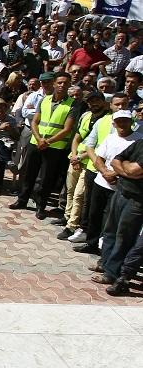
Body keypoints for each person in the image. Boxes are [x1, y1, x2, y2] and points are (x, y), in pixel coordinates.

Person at [77, 110, 143, 261]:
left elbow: (135, 169)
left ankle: (105, 253)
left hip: (120, 188)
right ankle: (91, 243)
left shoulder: (138, 140)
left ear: (131, 122)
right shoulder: (110, 138)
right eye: (119, 121)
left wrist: (115, 173)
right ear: (114, 123)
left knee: (111, 223)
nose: (122, 124)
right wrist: (105, 172)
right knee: (94, 214)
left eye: (125, 121)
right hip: (101, 181)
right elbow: (99, 158)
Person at [11, 71, 77, 219]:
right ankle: (22, 200)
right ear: (54, 83)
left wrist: (46, 141)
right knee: (28, 173)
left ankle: (41, 206)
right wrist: (39, 138)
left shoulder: (72, 104)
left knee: (46, 178)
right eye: (59, 82)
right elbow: (35, 121)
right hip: (36, 142)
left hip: (54, 147)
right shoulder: (44, 100)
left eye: (65, 83)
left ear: (69, 85)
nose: (62, 85)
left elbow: (67, 129)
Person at [57, 91, 109, 241]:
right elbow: (77, 137)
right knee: (70, 191)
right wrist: (74, 155)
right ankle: (67, 217)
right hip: (75, 159)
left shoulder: (107, 120)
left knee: (80, 195)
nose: (94, 104)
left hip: (90, 163)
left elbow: (99, 146)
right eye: (91, 101)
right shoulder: (85, 116)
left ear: (103, 102)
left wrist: (80, 157)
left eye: (97, 101)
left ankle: (72, 226)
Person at [100, 137, 143, 295]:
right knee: (110, 230)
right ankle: (105, 265)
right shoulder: (139, 143)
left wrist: (125, 169)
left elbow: (133, 170)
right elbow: (115, 161)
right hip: (121, 192)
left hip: (137, 200)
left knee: (124, 237)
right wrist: (126, 168)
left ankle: (113, 273)